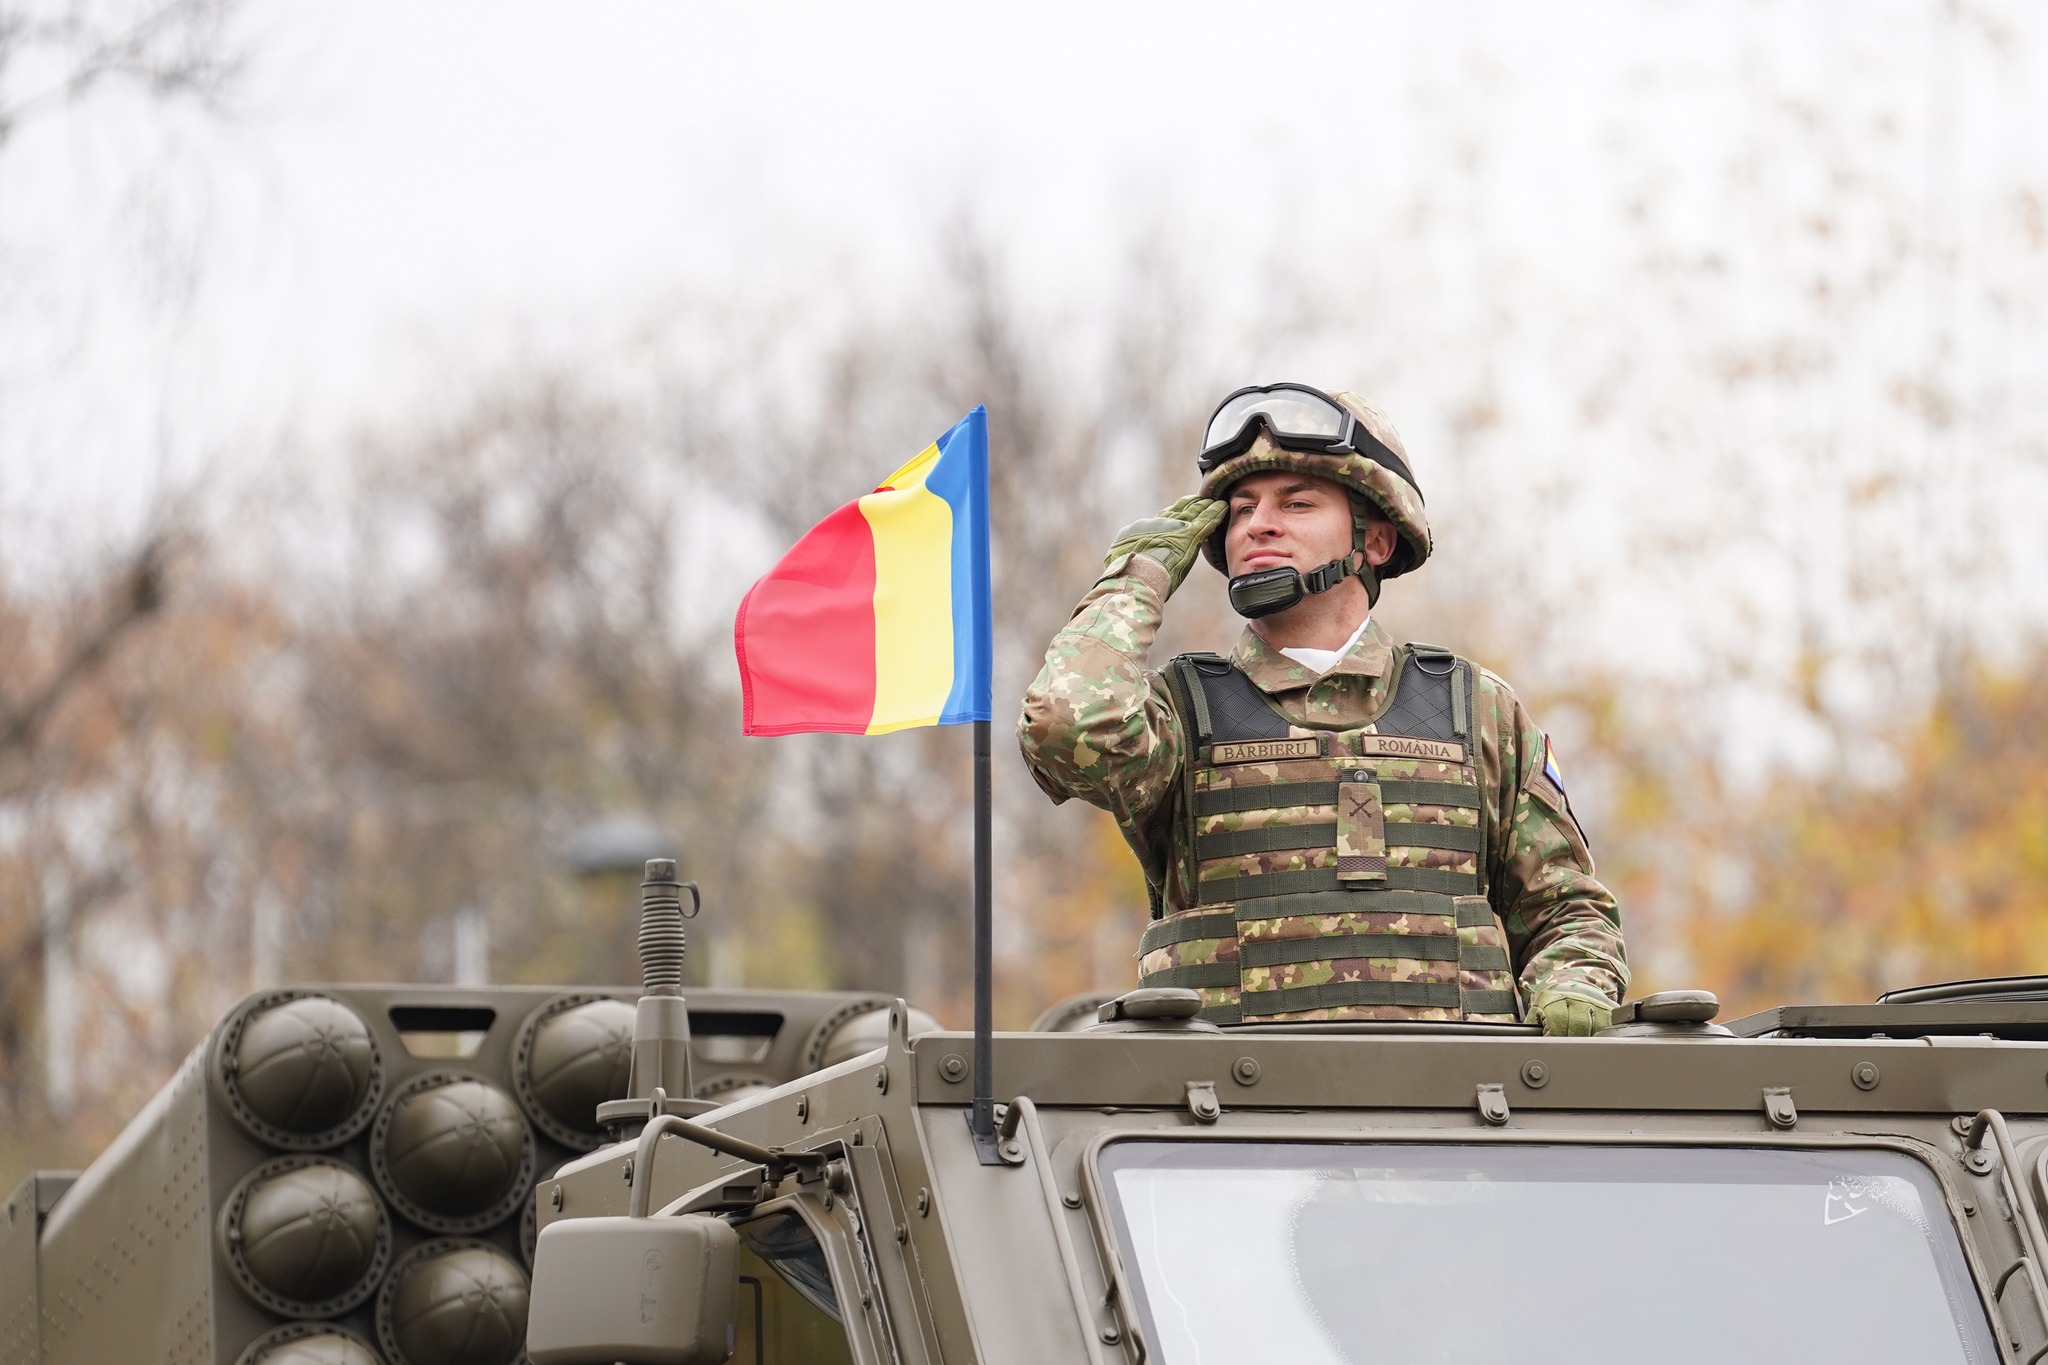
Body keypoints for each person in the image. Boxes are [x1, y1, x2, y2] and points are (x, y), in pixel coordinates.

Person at [1017, 384, 1627, 1034]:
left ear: (1378, 541)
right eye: (1241, 508)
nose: (1258, 524)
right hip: (1223, 1122)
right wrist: (1135, 579)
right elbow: (1067, 724)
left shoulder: (1478, 710)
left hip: (1453, 1118)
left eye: (1297, 503)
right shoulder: (1178, 712)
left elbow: (1567, 908)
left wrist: (1574, 978)